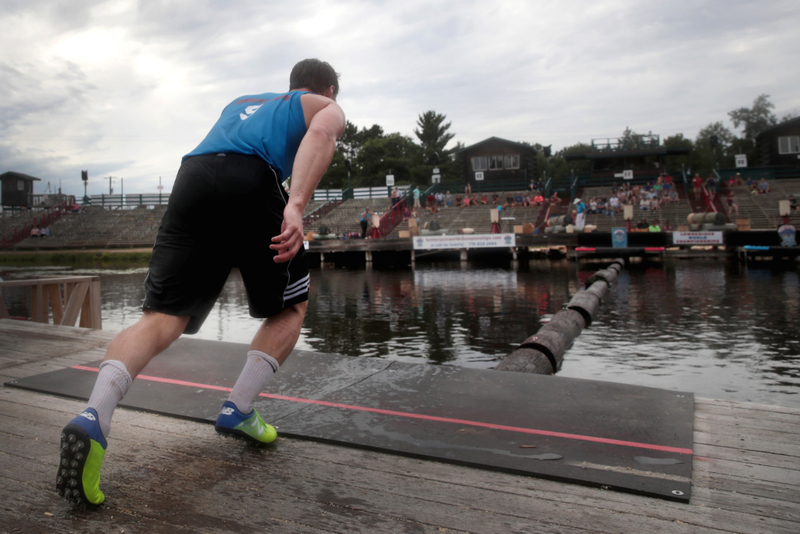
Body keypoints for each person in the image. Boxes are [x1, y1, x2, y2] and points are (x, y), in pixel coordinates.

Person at [56, 59, 346, 506]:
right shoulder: (324, 105)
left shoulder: (242, 103)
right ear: (327, 89)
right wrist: (296, 205)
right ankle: (239, 409)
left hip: (192, 177)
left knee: (163, 316)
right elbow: (323, 133)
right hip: (253, 179)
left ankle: (94, 417)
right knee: (290, 306)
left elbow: (227, 156)